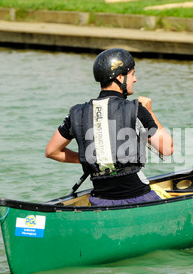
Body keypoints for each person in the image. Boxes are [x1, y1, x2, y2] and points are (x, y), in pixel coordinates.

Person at [45, 48, 173, 206]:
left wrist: (89, 158)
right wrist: (150, 113)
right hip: (139, 197)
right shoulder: (136, 109)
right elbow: (167, 149)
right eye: (132, 74)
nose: (135, 79)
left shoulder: (77, 113)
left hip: (101, 201)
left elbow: (52, 151)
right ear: (120, 77)